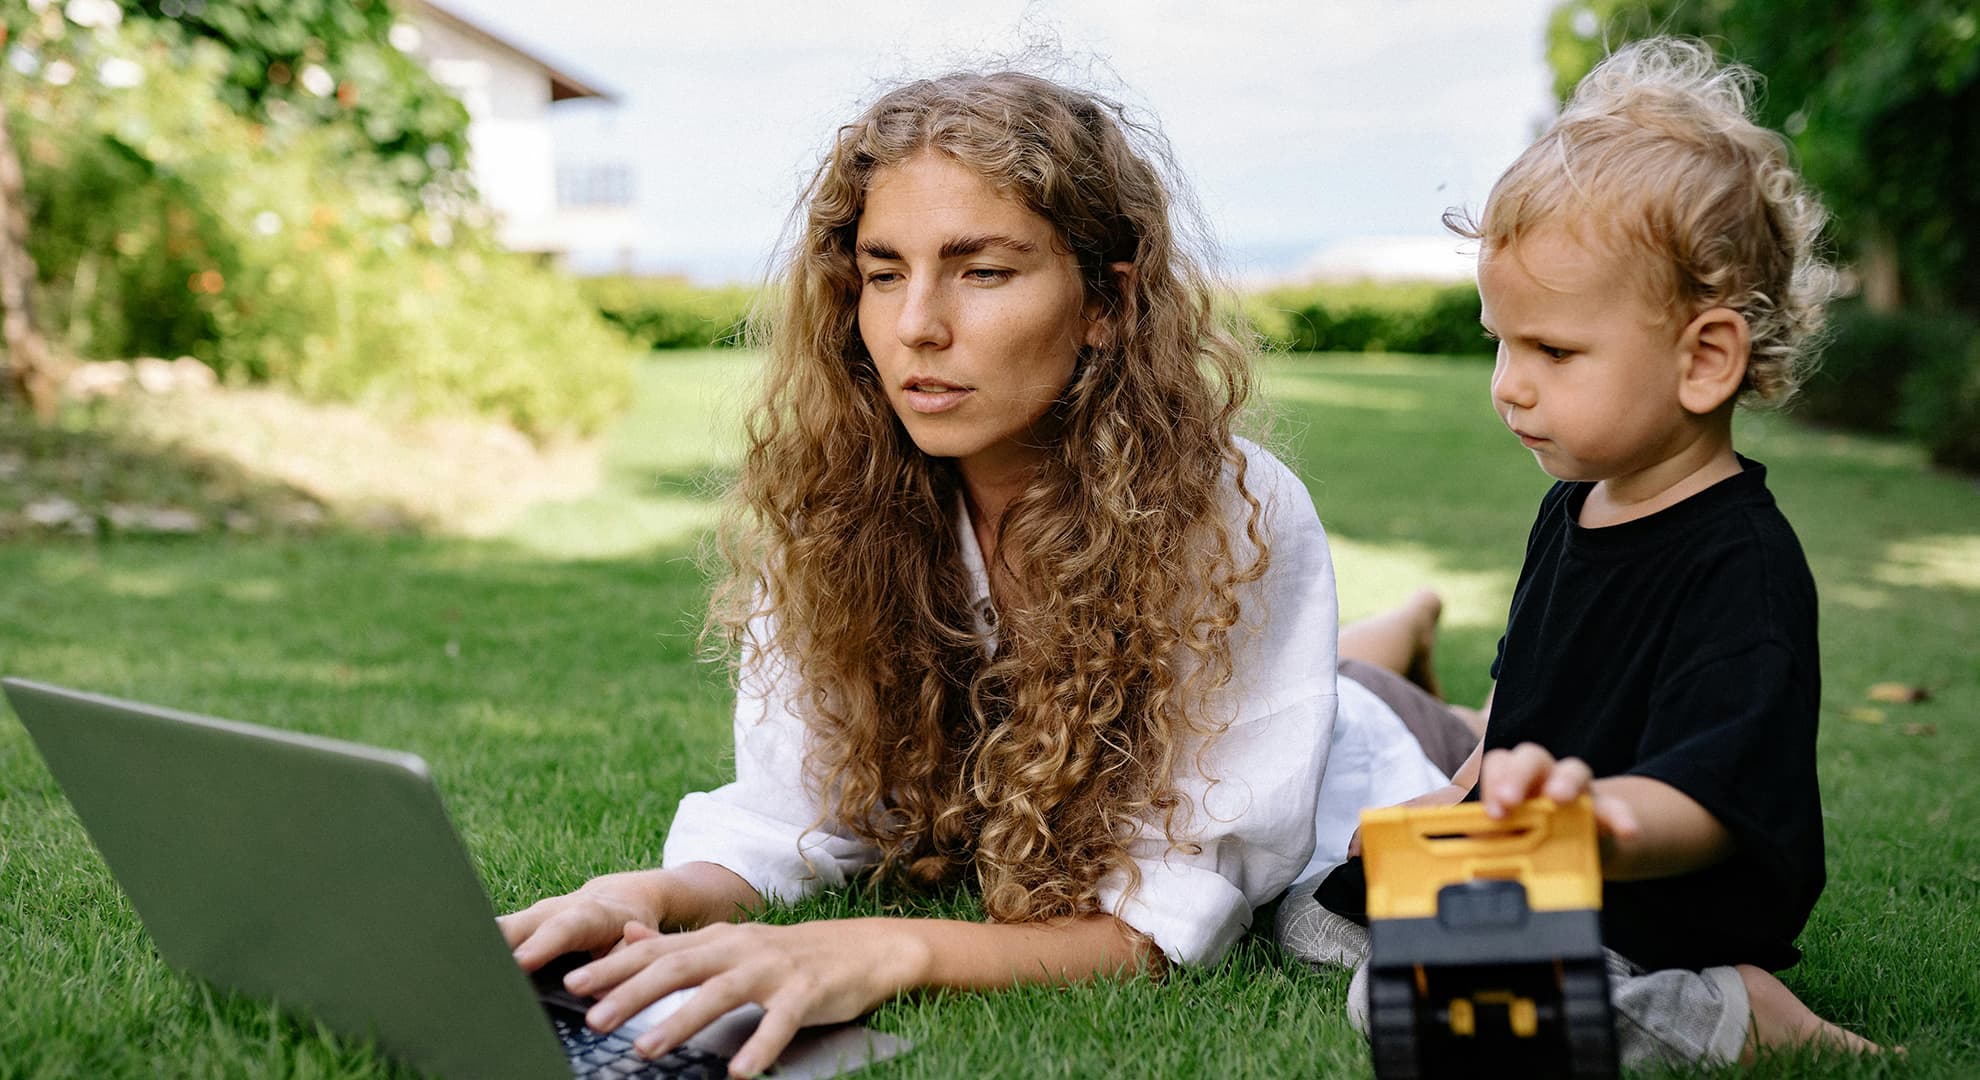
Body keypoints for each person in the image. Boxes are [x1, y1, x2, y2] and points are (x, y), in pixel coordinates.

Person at [497, 70, 1457, 1078]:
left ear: (1105, 301)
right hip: (1274, 689)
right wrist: (644, 895)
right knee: (1350, 671)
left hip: (1344, 752)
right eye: (881, 272)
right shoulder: (837, 500)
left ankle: (1403, 650)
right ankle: (1395, 635)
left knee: (1378, 710)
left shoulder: (1231, 516)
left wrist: (893, 946)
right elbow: (793, 813)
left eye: (983, 272)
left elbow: (1168, 920)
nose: (917, 325)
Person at [1276, 37, 1885, 1066]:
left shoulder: (1740, 565)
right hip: (1538, 873)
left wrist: (1589, 823)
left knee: (1400, 993)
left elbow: (1709, 799)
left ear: (1704, 359)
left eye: (1552, 351)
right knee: (1308, 914)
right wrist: (1458, 796)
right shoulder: (1574, 507)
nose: (1508, 385)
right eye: (1500, 341)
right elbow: (1528, 697)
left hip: (1652, 907)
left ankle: (1739, 1008)